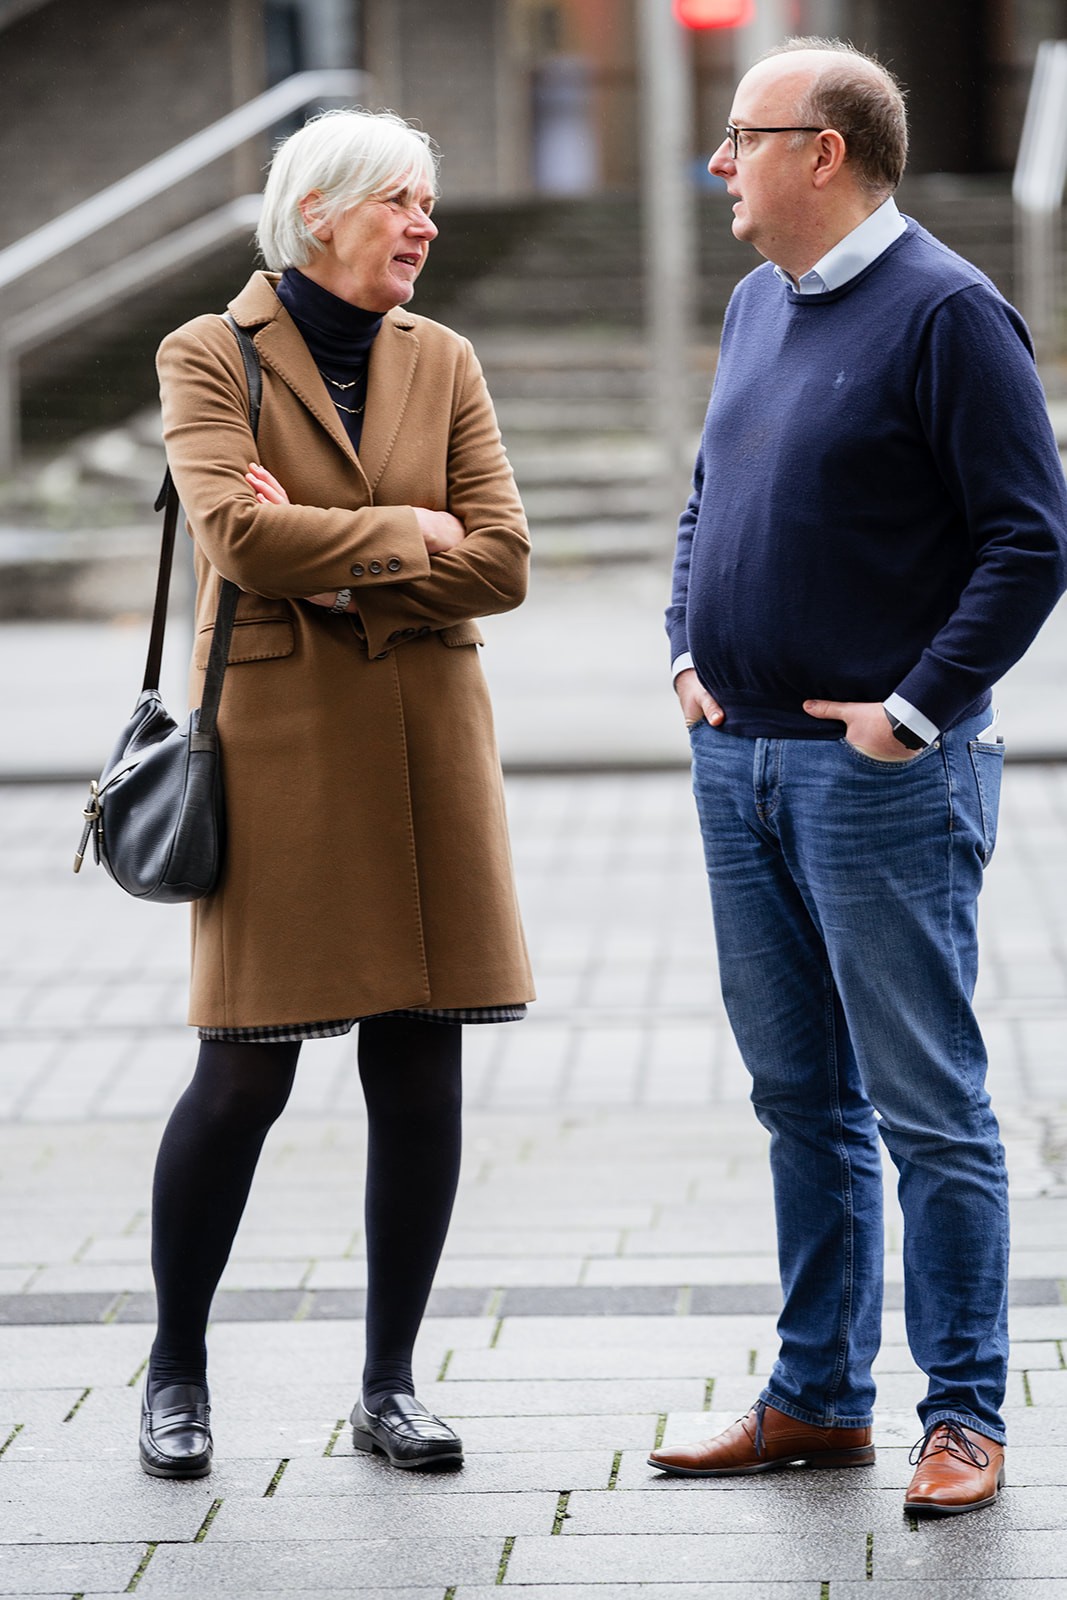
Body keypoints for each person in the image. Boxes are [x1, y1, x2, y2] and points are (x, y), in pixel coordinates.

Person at [649, 39, 1067, 1515]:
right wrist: (684, 651)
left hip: (874, 779)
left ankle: (965, 1417)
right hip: (739, 762)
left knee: (926, 1106)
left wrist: (913, 711)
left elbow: (1032, 538)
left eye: (743, 137)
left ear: (823, 153)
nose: (721, 163)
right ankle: (818, 1402)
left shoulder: (949, 311)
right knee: (799, 1101)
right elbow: (708, 497)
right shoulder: (759, 300)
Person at [138, 108, 533, 1480]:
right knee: (242, 1072)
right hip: (282, 748)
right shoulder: (210, 351)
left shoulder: (445, 357)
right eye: (400, 202)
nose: (426, 224)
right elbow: (235, 535)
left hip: (428, 750)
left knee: (421, 1067)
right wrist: (408, 530)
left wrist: (339, 560)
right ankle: (174, 1368)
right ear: (318, 211)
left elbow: (504, 559)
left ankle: (389, 1385)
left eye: (428, 202)